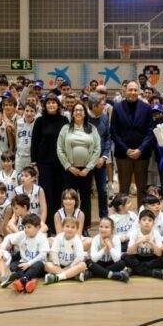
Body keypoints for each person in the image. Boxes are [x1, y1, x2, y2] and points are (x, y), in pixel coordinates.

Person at [57, 101, 100, 231]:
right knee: (69, 198)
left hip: (86, 170)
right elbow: (59, 148)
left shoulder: (92, 129)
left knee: (86, 198)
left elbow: (97, 149)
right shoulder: (66, 128)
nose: (78, 112)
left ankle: (84, 227)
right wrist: (68, 166)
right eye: (76, 110)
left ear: (85, 113)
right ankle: (68, 225)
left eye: (81, 110)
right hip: (70, 169)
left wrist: (88, 168)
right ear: (72, 113)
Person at [110, 81, 155, 199]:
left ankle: (142, 211)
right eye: (130, 90)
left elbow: (150, 131)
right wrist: (126, 150)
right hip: (123, 154)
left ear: (139, 92)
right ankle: (123, 211)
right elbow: (113, 131)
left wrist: (140, 149)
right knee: (124, 189)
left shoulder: (146, 108)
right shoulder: (117, 107)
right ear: (125, 91)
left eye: (135, 90)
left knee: (142, 189)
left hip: (142, 154)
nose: (133, 92)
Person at [30, 94, 69, 227]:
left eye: (53, 102)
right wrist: (34, 162)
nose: (51, 105)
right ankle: (49, 224)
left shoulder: (64, 120)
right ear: (45, 105)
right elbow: (34, 142)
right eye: (48, 103)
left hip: (61, 162)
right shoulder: (39, 121)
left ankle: (60, 223)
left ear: (58, 105)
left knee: (59, 192)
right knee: (47, 193)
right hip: (44, 162)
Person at [87, 93, 112, 219]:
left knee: (102, 190)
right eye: (102, 105)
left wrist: (104, 157)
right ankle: (86, 220)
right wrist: (91, 159)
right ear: (94, 106)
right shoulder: (83, 118)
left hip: (101, 162)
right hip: (85, 162)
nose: (104, 107)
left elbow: (107, 138)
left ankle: (104, 217)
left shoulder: (104, 118)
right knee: (86, 191)